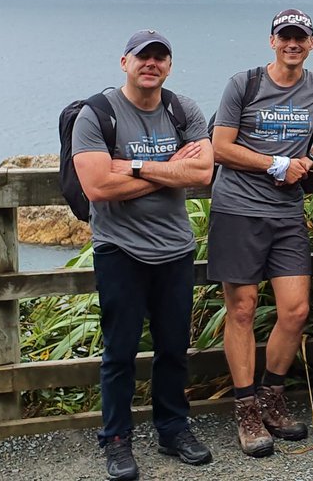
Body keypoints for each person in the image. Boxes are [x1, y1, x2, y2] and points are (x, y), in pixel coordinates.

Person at [71, 30, 214, 480]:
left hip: (174, 248)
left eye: (160, 57)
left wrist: (132, 166)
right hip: (120, 249)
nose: (150, 64)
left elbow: (203, 170)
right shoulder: (97, 113)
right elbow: (97, 186)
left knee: (174, 347)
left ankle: (173, 428)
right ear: (124, 62)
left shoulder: (182, 108)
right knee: (120, 350)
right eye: (142, 57)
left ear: (168, 66)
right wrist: (172, 168)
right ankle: (116, 440)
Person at [208, 9, 313, 457]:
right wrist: (275, 164)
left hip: (286, 212)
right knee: (241, 309)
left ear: (312, 43)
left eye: (300, 37)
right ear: (272, 41)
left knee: (296, 310)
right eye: (285, 36)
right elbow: (220, 147)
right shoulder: (243, 84)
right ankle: (246, 409)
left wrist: (308, 162)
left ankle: (272, 398)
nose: (292, 44)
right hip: (238, 209)